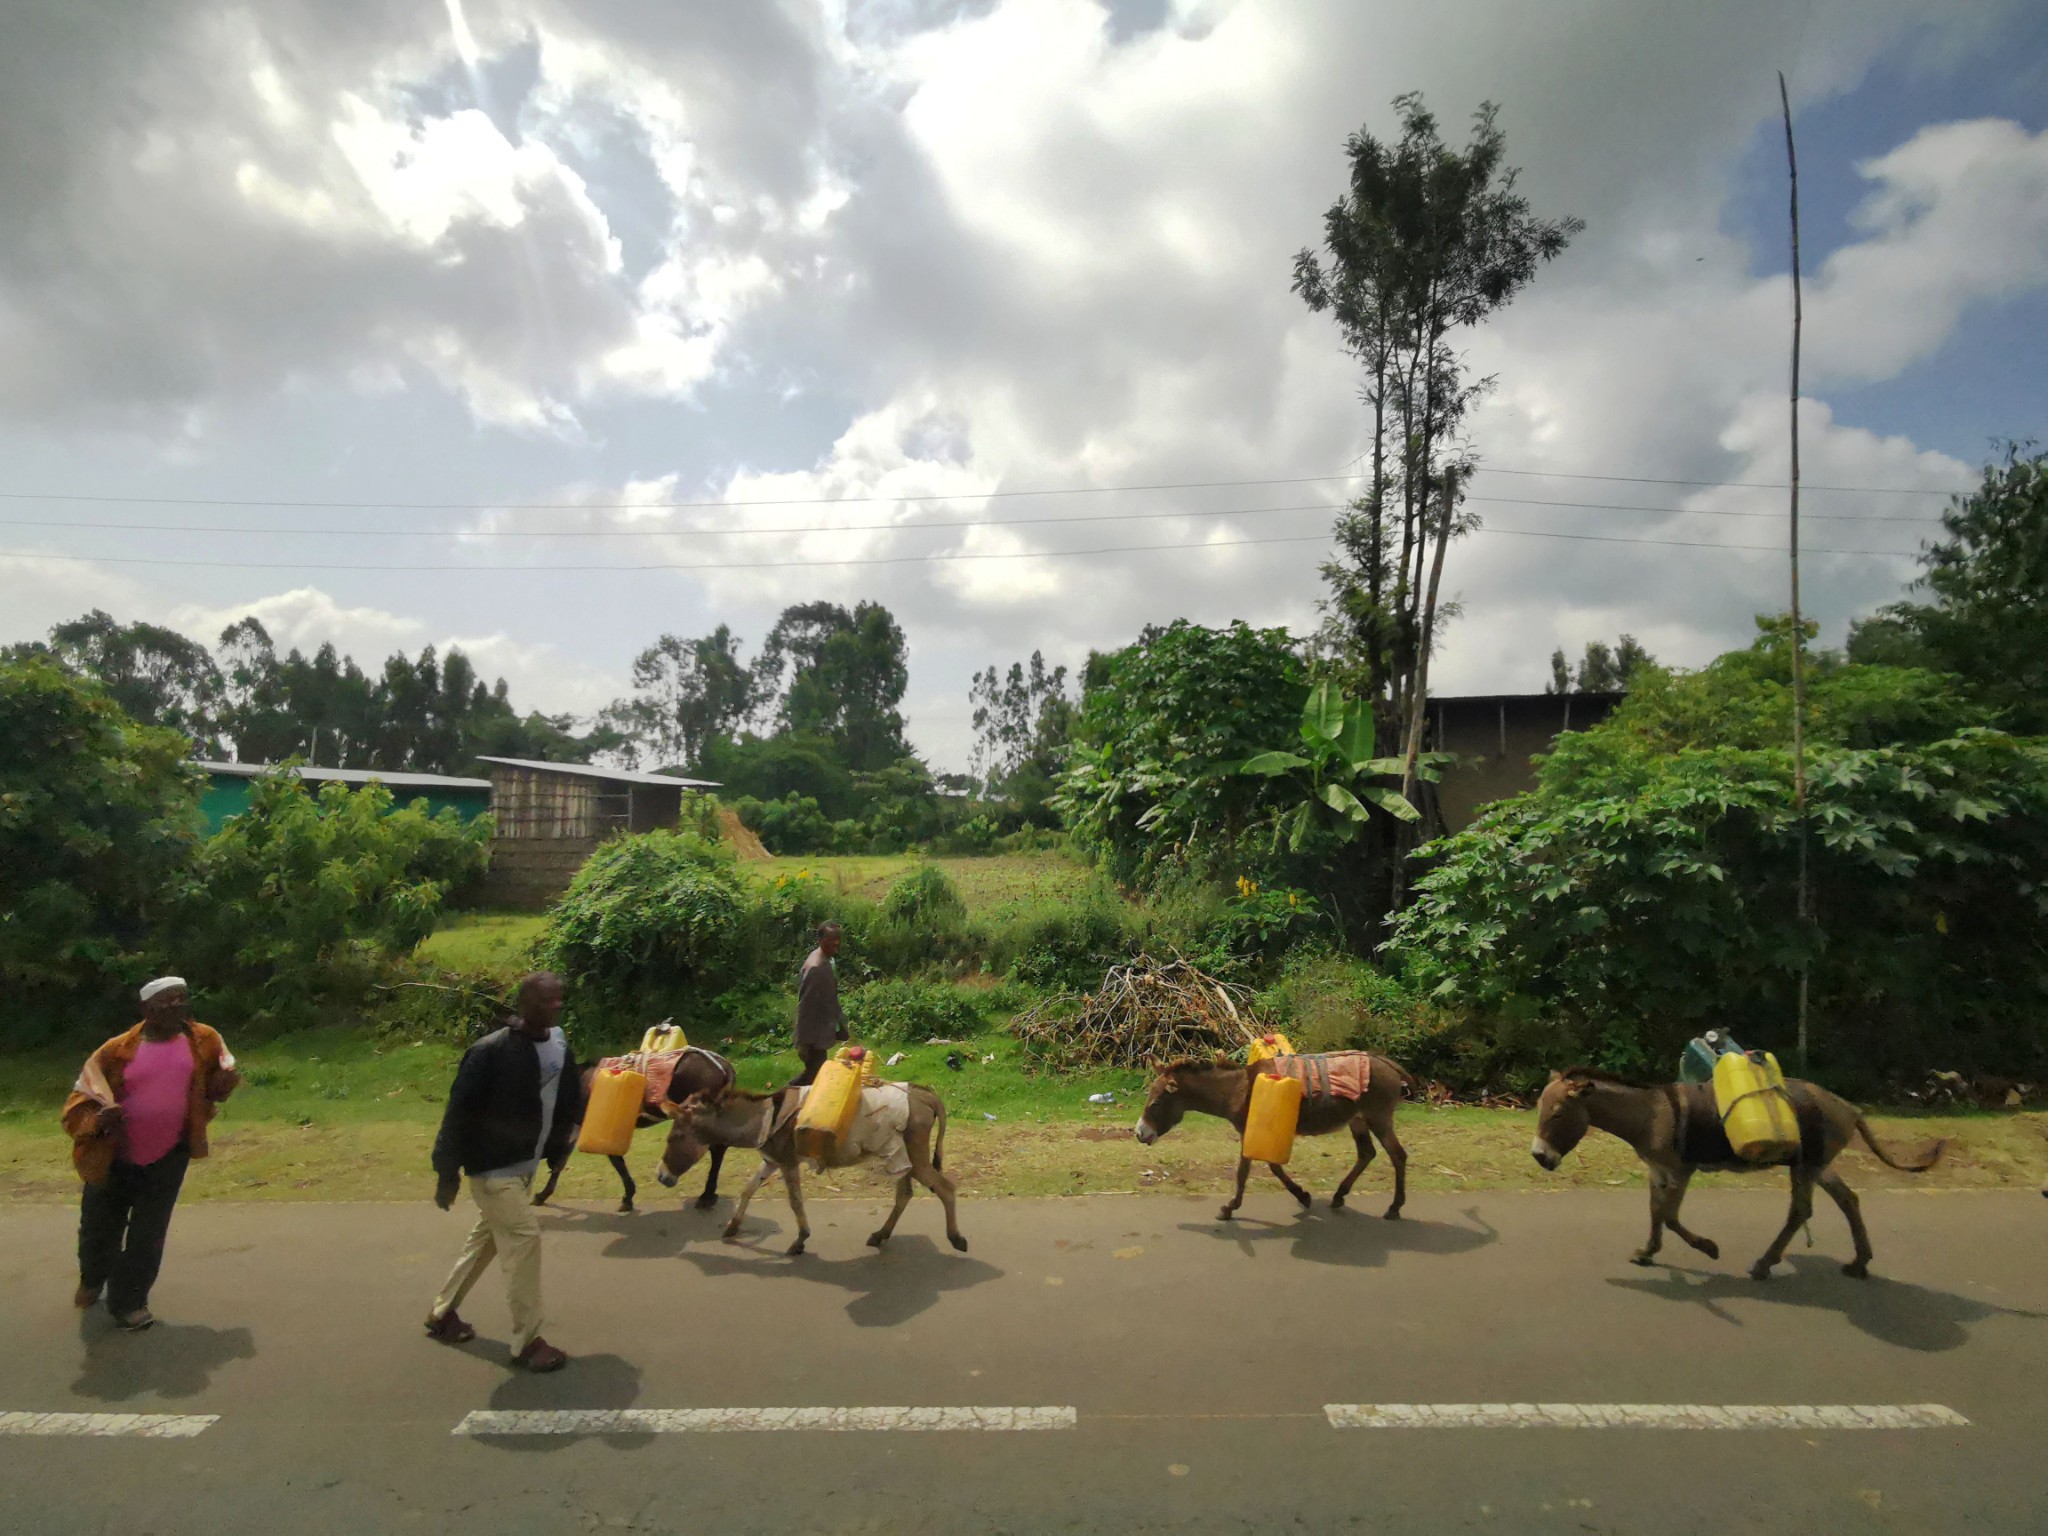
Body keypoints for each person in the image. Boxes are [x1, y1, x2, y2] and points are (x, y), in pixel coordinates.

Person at [424, 972, 584, 1373]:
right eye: (546, 1001)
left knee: (487, 1241)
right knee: (524, 1239)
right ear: (524, 1004)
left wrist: (560, 1145)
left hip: (524, 1166)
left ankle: (442, 1314)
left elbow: (564, 1096)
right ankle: (527, 1342)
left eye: (559, 1000)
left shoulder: (559, 1042)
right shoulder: (490, 1052)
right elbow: (457, 1113)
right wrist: (447, 1172)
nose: (555, 1006)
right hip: (494, 1170)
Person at [61, 977, 240, 1332]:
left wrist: (224, 1085)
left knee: (149, 1232)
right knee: (99, 1228)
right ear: (145, 1010)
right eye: (165, 1001)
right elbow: (81, 1098)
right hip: (113, 1155)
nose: (175, 1006)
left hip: (170, 1153)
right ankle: (93, 1277)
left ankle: (130, 1301)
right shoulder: (116, 1049)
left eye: (181, 1000)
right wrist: (100, 1118)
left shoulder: (204, 1039)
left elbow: (215, 1082)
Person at [791, 921, 848, 1087]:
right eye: (831, 939)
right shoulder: (816, 967)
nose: (836, 943)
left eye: (837, 939)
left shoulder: (826, 960)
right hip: (812, 1036)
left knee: (814, 1074)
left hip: (820, 1031)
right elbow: (806, 1006)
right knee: (815, 1077)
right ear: (820, 940)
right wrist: (805, 1042)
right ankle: (786, 1097)